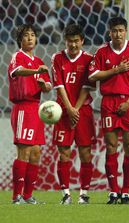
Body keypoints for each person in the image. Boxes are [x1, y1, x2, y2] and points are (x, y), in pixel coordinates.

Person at [88, 17, 129, 204]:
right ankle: (113, 191)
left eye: (121, 30)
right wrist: (117, 70)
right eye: (114, 30)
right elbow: (92, 75)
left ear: (126, 31)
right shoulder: (102, 52)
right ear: (109, 32)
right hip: (109, 103)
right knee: (111, 146)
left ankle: (126, 191)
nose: (118, 34)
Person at [51, 24, 96, 205]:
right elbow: (59, 85)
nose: (73, 45)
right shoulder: (57, 58)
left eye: (76, 41)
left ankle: (84, 194)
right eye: (70, 41)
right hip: (62, 112)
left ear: (82, 41)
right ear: (65, 41)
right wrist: (69, 108)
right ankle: (66, 194)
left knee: (85, 153)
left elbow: (88, 86)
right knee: (64, 153)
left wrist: (75, 109)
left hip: (82, 111)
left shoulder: (89, 59)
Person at [8, 24, 52, 204]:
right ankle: (16, 196)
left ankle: (28, 195)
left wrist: (44, 85)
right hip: (22, 108)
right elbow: (17, 72)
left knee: (35, 153)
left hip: (36, 109)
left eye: (33, 35)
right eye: (26, 35)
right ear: (20, 39)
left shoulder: (39, 61)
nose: (30, 38)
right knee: (23, 152)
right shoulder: (17, 57)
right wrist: (36, 72)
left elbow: (48, 87)